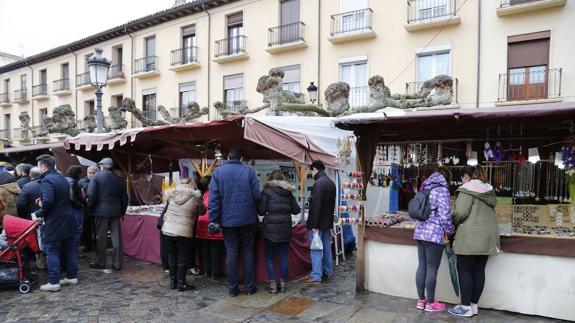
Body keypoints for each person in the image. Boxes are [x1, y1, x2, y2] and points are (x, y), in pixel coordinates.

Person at [448, 165, 500, 318]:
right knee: (478, 271)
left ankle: (464, 307)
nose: (461, 180)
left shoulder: (466, 190)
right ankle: (473, 305)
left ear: (466, 176)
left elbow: (461, 213)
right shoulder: (489, 190)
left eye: (462, 177)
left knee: (464, 270)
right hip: (488, 236)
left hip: (471, 236)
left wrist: (452, 218)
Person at [208, 147, 261, 297]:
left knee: (231, 253)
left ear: (227, 158)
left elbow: (213, 200)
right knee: (248, 252)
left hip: (227, 221)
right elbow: (257, 196)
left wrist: (214, 220)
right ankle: (250, 288)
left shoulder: (217, 173)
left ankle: (233, 289)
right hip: (248, 219)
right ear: (241, 159)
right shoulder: (249, 172)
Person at [413, 167, 454, 312]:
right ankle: (430, 303)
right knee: (431, 269)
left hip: (419, 232)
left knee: (422, 266)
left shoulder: (424, 187)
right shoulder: (442, 190)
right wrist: (450, 231)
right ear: (446, 178)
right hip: (434, 235)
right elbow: (445, 216)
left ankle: (420, 301)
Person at [34, 154, 78, 292]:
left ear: (43, 166)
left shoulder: (47, 181)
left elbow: (48, 201)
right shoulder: (62, 178)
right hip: (68, 218)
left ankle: (54, 282)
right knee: (69, 249)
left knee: (52, 250)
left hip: (55, 221)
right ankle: (71, 277)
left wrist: (39, 213)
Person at [258, 170, 300, 293]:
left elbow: (261, 211)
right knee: (283, 256)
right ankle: (282, 283)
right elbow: (296, 210)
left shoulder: (266, 192)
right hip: (285, 228)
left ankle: (272, 284)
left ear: (270, 179)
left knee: (269, 257)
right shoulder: (288, 193)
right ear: (282, 180)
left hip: (270, 227)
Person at [161, 178, 206, 291]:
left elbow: (166, 212)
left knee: (172, 256)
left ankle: (173, 282)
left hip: (167, 230)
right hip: (183, 231)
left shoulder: (171, 195)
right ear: (192, 185)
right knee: (182, 257)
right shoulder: (194, 197)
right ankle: (181, 283)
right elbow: (202, 211)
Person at [87, 158, 128, 271]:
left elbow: (91, 195)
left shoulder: (96, 177)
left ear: (102, 166)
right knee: (117, 239)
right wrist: (122, 212)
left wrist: (90, 209)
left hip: (100, 212)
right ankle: (117, 264)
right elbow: (125, 198)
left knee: (101, 238)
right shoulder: (119, 179)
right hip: (116, 212)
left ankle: (101, 262)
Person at [304, 160, 336, 285]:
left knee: (315, 248)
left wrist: (314, 225)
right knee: (327, 247)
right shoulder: (331, 183)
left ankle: (316, 275)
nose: (311, 173)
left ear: (315, 169)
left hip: (317, 223)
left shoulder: (318, 184)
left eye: (311, 170)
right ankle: (328, 271)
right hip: (327, 222)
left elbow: (316, 206)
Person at [196, 175, 224, 280]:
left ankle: (207, 271)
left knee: (205, 249)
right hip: (214, 223)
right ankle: (215, 273)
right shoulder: (219, 193)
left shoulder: (205, 194)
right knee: (215, 250)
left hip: (202, 223)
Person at [66, 165, 86, 254]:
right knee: (78, 231)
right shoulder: (73, 182)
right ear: (77, 173)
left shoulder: (64, 180)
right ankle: (74, 250)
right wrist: (82, 204)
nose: (81, 175)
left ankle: (70, 250)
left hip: (67, 210)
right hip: (75, 209)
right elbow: (76, 197)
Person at [79, 165, 98, 252]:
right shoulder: (82, 182)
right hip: (86, 209)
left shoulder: (99, 181)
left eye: (94, 173)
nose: (92, 175)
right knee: (86, 228)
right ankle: (88, 246)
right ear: (87, 173)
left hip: (97, 208)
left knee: (97, 228)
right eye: (90, 173)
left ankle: (97, 245)